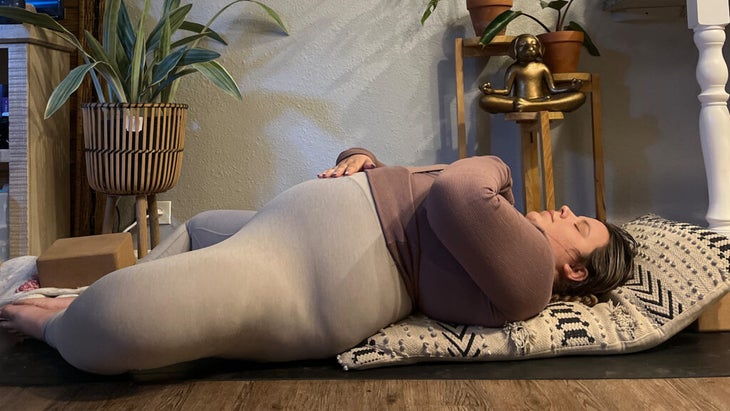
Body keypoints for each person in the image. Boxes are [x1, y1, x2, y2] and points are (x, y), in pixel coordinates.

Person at [0, 148, 637, 375]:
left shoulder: (530, 277)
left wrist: (496, 161)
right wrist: (360, 157)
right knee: (198, 227)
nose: (559, 210)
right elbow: (413, 190)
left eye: (575, 226)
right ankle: (96, 303)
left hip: (324, 267)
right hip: (310, 230)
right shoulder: (503, 240)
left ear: (575, 270)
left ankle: (51, 319)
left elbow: (453, 190)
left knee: (117, 322)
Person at [479, 33, 586, 113]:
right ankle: (540, 106)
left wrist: (571, 88)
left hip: (540, 100)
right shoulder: (514, 68)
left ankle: (531, 106)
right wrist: (491, 91)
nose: (529, 48)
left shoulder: (541, 67)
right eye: (522, 45)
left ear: (540, 49)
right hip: (519, 100)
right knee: (485, 100)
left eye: (534, 45)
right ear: (514, 50)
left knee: (579, 96)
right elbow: (507, 91)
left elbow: (553, 89)